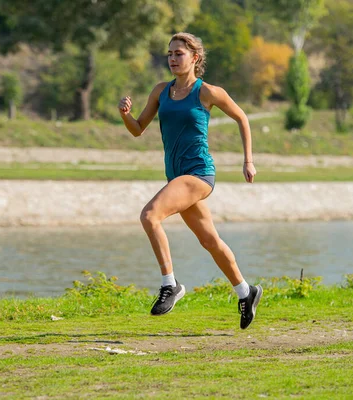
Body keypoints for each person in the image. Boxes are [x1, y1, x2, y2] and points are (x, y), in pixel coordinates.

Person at [118, 32, 262, 329]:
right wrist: (125, 115)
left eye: (178, 53)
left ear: (195, 58)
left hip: (198, 173)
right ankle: (245, 292)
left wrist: (248, 160)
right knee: (209, 240)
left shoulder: (208, 92)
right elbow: (138, 129)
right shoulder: (161, 91)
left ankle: (170, 284)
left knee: (149, 216)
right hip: (176, 177)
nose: (172, 58)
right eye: (169, 53)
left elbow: (242, 118)